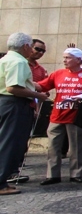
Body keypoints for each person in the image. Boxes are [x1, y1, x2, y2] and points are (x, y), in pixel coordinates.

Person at [37, 47, 82, 185]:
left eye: (68, 57)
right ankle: (52, 175)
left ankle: (76, 173)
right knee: (53, 147)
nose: (65, 60)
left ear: (78, 60)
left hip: (76, 116)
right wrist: (28, 83)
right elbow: (42, 86)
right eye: (64, 57)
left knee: (77, 147)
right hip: (57, 115)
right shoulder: (57, 74)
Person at [0, 33, 49, 195]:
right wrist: (38, 95)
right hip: (14, 104)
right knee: (10, 143)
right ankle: (1, 183)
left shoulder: (6, 59)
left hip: (5, 103)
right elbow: (13, 87)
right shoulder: (19, 61)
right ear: (26, 46)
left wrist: (33, 85)